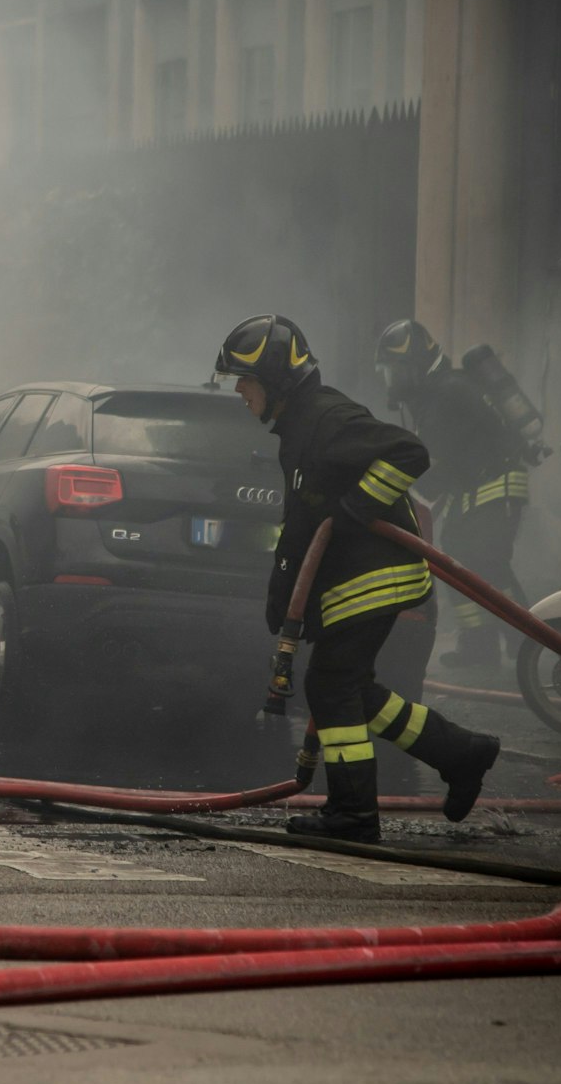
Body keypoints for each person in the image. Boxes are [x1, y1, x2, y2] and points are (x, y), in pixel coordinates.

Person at [213, 314, 499, 843]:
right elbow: (302, 523)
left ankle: (353, 813)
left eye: (245, 379)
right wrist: (284, 597)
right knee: (347, 687)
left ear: (274, 379)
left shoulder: (328, 418)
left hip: (374, 579)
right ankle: (460, 753)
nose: (238, 390)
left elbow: (410, 453)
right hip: (354, 583)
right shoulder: (299, 428)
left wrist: (357, 507)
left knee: (330, 685)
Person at [376, 319, 528, 670]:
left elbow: (435, 464)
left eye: (395, 371)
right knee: (460, 554)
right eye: (386, 373)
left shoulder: (446, 394)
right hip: (475, 487)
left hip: (496, 483)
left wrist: (391, 498)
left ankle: (525, 641)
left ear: (416, 366)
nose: (391, 381)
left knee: (486, 561)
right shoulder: (436, 394)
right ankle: (479, 647)